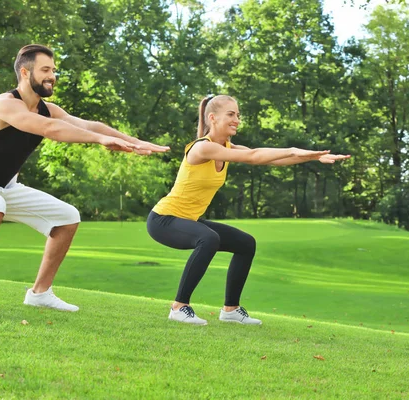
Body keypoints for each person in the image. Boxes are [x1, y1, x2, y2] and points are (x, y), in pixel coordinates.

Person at [0, 44, 169, 316]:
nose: (52, 76)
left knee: (67, 217)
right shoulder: (5, 104)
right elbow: (50, 129)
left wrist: (132, 141)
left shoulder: (48, 108)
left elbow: (87, 125)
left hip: (5, 187)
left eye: (54, 70)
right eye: (46, 70)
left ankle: (40, 293)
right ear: (25, 73)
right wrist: (100, 141)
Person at [147, 95, 350, 325]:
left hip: (188, 220)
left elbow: (267, 159)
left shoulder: (226, 147)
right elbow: (253, 156)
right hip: (163, 220)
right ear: (213, 118)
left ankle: (230, 310)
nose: (237, 120)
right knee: (209, 238)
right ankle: (179, 306)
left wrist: (313, 156)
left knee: (245, 243)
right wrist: (294, 149)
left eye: (238, 115)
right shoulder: (202, 148)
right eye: (231, 114)